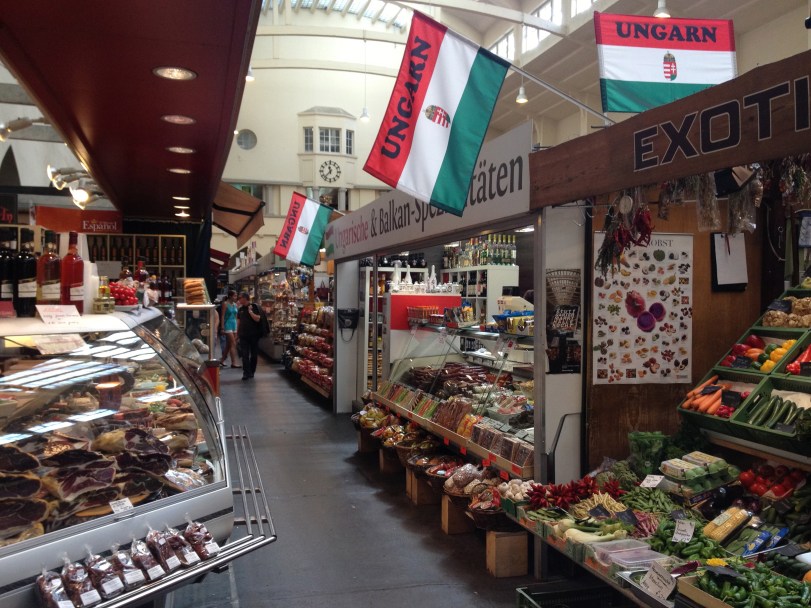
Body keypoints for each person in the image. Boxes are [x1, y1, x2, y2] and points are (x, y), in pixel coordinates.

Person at [236, 291, 261, 380]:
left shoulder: (254, 307)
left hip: (254, 335)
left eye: (240, 297)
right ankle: (246, 373)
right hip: (243, 336)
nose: (239, 299)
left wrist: (250, 312)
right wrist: (237, 334)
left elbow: (258, 319)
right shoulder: (240, 309)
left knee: (254, 355)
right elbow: (238, 322)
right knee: (244, 355)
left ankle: (252, 371)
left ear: (245, 298)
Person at [220, 290, 239, 368]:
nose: (236, 297)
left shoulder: (235, 304)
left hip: (234, 325)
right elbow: (223, 316)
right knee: (233, 343)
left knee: (229, 344)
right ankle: (233, 362)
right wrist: (222, 327)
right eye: (234, 296)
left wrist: (237, 327)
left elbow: (236, 316)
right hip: (227, 325)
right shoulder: (225, 304)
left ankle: (222, 360)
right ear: (230, 296)